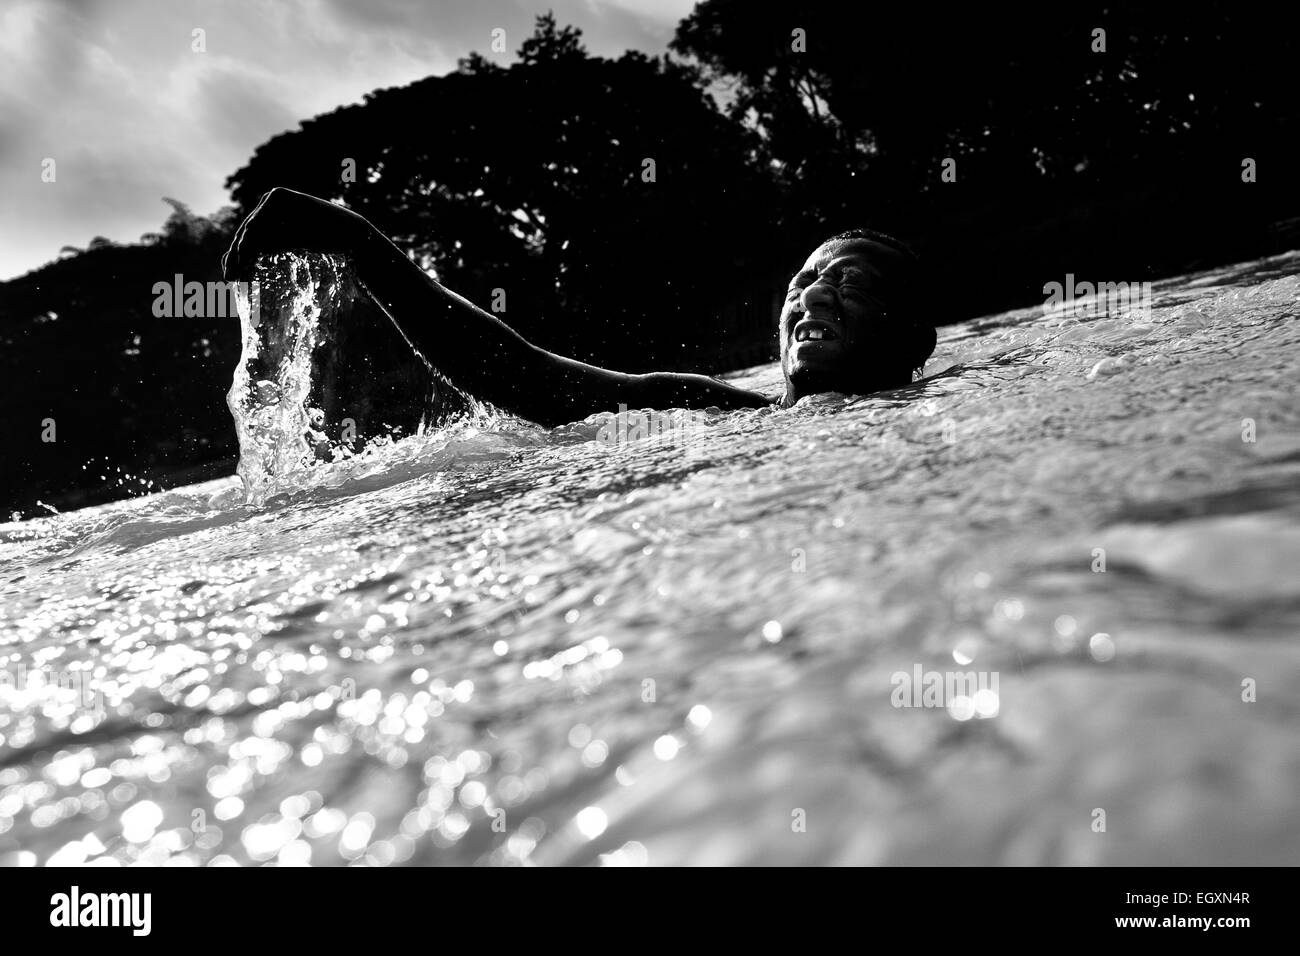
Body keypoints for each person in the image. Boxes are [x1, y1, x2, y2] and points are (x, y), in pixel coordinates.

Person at [222, 188, 936, 426]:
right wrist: (361, 245)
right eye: (800, 283)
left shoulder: (953, 408)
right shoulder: (703, 411)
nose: (812, 293)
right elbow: (522, 375)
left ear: (913, 339)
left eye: (849, 283)